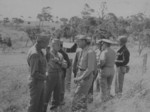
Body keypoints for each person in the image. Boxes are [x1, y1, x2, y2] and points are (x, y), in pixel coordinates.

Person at [71, 35, 97, 112]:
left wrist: (80, 78)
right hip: (82, 75)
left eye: (78, 41)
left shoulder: (90, 52)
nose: (77, 43)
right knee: (81, 99)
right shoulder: (82, 50)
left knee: (77, 98)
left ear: (84, 41)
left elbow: (90, 69)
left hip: (86, 77)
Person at [27, 33, 50, 112]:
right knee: (34, 106)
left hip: (40, 81)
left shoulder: (39, 51)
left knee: (40, 104)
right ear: (41, 42)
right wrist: (46, 77)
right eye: (47, 42)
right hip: (36, 82)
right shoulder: (35, 53)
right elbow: (34, 73)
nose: (48, 44)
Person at [43, 39, 67, 112]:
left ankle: (54, 110)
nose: (60, 46)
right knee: (46, 95)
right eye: (58, 44)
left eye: (60, 44)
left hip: (59, 75)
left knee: (57, 95)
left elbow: (65, 65)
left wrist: (59, 62)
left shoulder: (60, 55)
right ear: (53, 45)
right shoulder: (48, 54)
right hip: (50, 76)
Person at [58, 40, 71, 105]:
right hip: (54, 74)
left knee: (61, 88)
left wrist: (62, 65)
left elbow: (68, 64)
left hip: (61, 73)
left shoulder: (63, 53)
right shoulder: (52, 52)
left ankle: (61, 101)